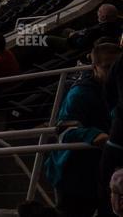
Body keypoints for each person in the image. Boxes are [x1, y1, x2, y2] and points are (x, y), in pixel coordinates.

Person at [47, 42, 119, 216]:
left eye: (118, 67)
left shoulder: (116, 88)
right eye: (108, 67)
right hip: (75, 174)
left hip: (104, 171)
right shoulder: (80, 93)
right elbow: (64, 131)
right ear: (95, 68)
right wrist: (95, 135)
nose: (114, 73)